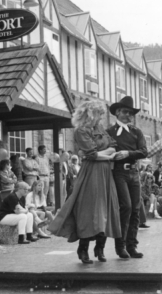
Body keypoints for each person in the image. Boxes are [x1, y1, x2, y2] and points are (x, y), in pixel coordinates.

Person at [49, 100, 121, 264]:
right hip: (91, 173)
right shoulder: (80, 131)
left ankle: (100, 247)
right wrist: (105, 155)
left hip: (104, 173)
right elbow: (93, 154)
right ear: (91, 114)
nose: (101, 118)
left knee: (106, 209)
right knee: (90, 211)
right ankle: (83, 249)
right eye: (99, 114)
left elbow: (112, 147)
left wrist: (102, 154)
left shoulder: (99, 129)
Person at [107, 96, 147, 259]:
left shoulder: (136, 132)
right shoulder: (109, 132)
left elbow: (144, 151)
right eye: (125, 112)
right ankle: (120, 245)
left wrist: (128, 153)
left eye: (131, 113)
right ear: (117, 112)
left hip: (134, 173)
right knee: (126, 207)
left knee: (136, 209)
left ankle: (132, 246)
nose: (128, 115)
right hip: (118, 173)